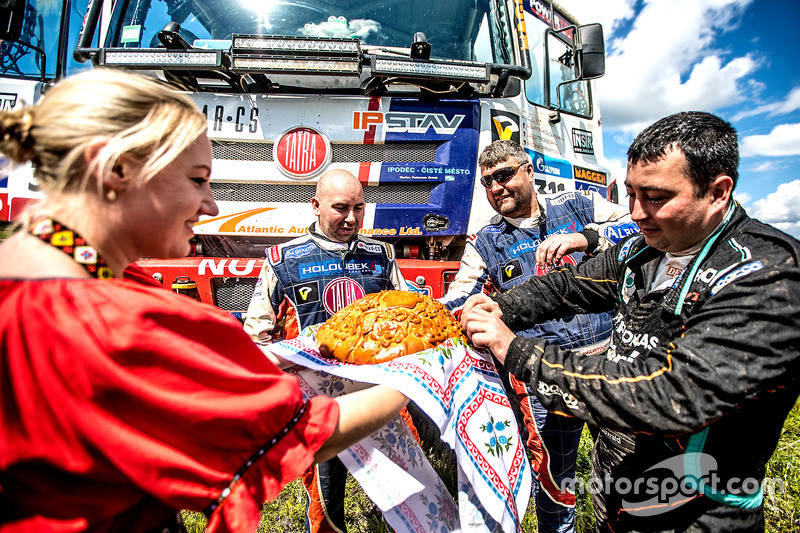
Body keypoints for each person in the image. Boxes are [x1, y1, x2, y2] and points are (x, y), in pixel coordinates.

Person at [0, 68, 408, 533]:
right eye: (197, 180)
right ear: (114, 168)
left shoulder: (61, 277)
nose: (212, 205)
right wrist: (418, 380)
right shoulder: (117, 320)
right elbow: (293, 433)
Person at [460, 111, 800, 532]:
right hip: (615, 492)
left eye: (655, 197)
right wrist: (502, 309)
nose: (637, 213)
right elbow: (568, 285)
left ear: (717, 192)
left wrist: (515, 349)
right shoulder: (646, 251)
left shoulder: (766, 274)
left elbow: (667, 395)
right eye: (632, 195)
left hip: (694, 511)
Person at [440, 139, 635, 533]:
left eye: (504, 175)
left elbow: (642, 226)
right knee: (556, 489)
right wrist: (445, 310)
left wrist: (588, 239)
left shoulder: (577, 204)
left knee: (626, 476)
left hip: (609, 365)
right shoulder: (485, 242)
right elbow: (459, 297)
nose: (496, 187)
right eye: (488, 182)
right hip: (542, 378)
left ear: (528, 170)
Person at [243, 169, 413, 533]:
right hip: (322, 404)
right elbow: (256, 338)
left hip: (378, 394)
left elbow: (408, 318)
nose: (351, 218)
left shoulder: (381, 255)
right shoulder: (282, 260)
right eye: (340, 208)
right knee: (325, 498)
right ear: (315, 205)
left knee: (409, 488)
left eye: (359, 208)